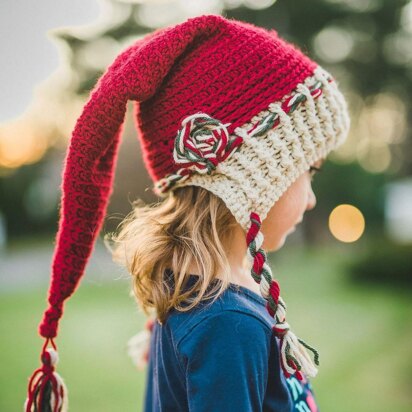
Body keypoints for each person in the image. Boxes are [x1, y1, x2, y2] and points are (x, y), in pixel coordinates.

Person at [25, 14, 350, 412]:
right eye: (308, 171)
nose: (312, 199)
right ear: (256, 173)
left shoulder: (196, 296)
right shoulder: (228, 324)